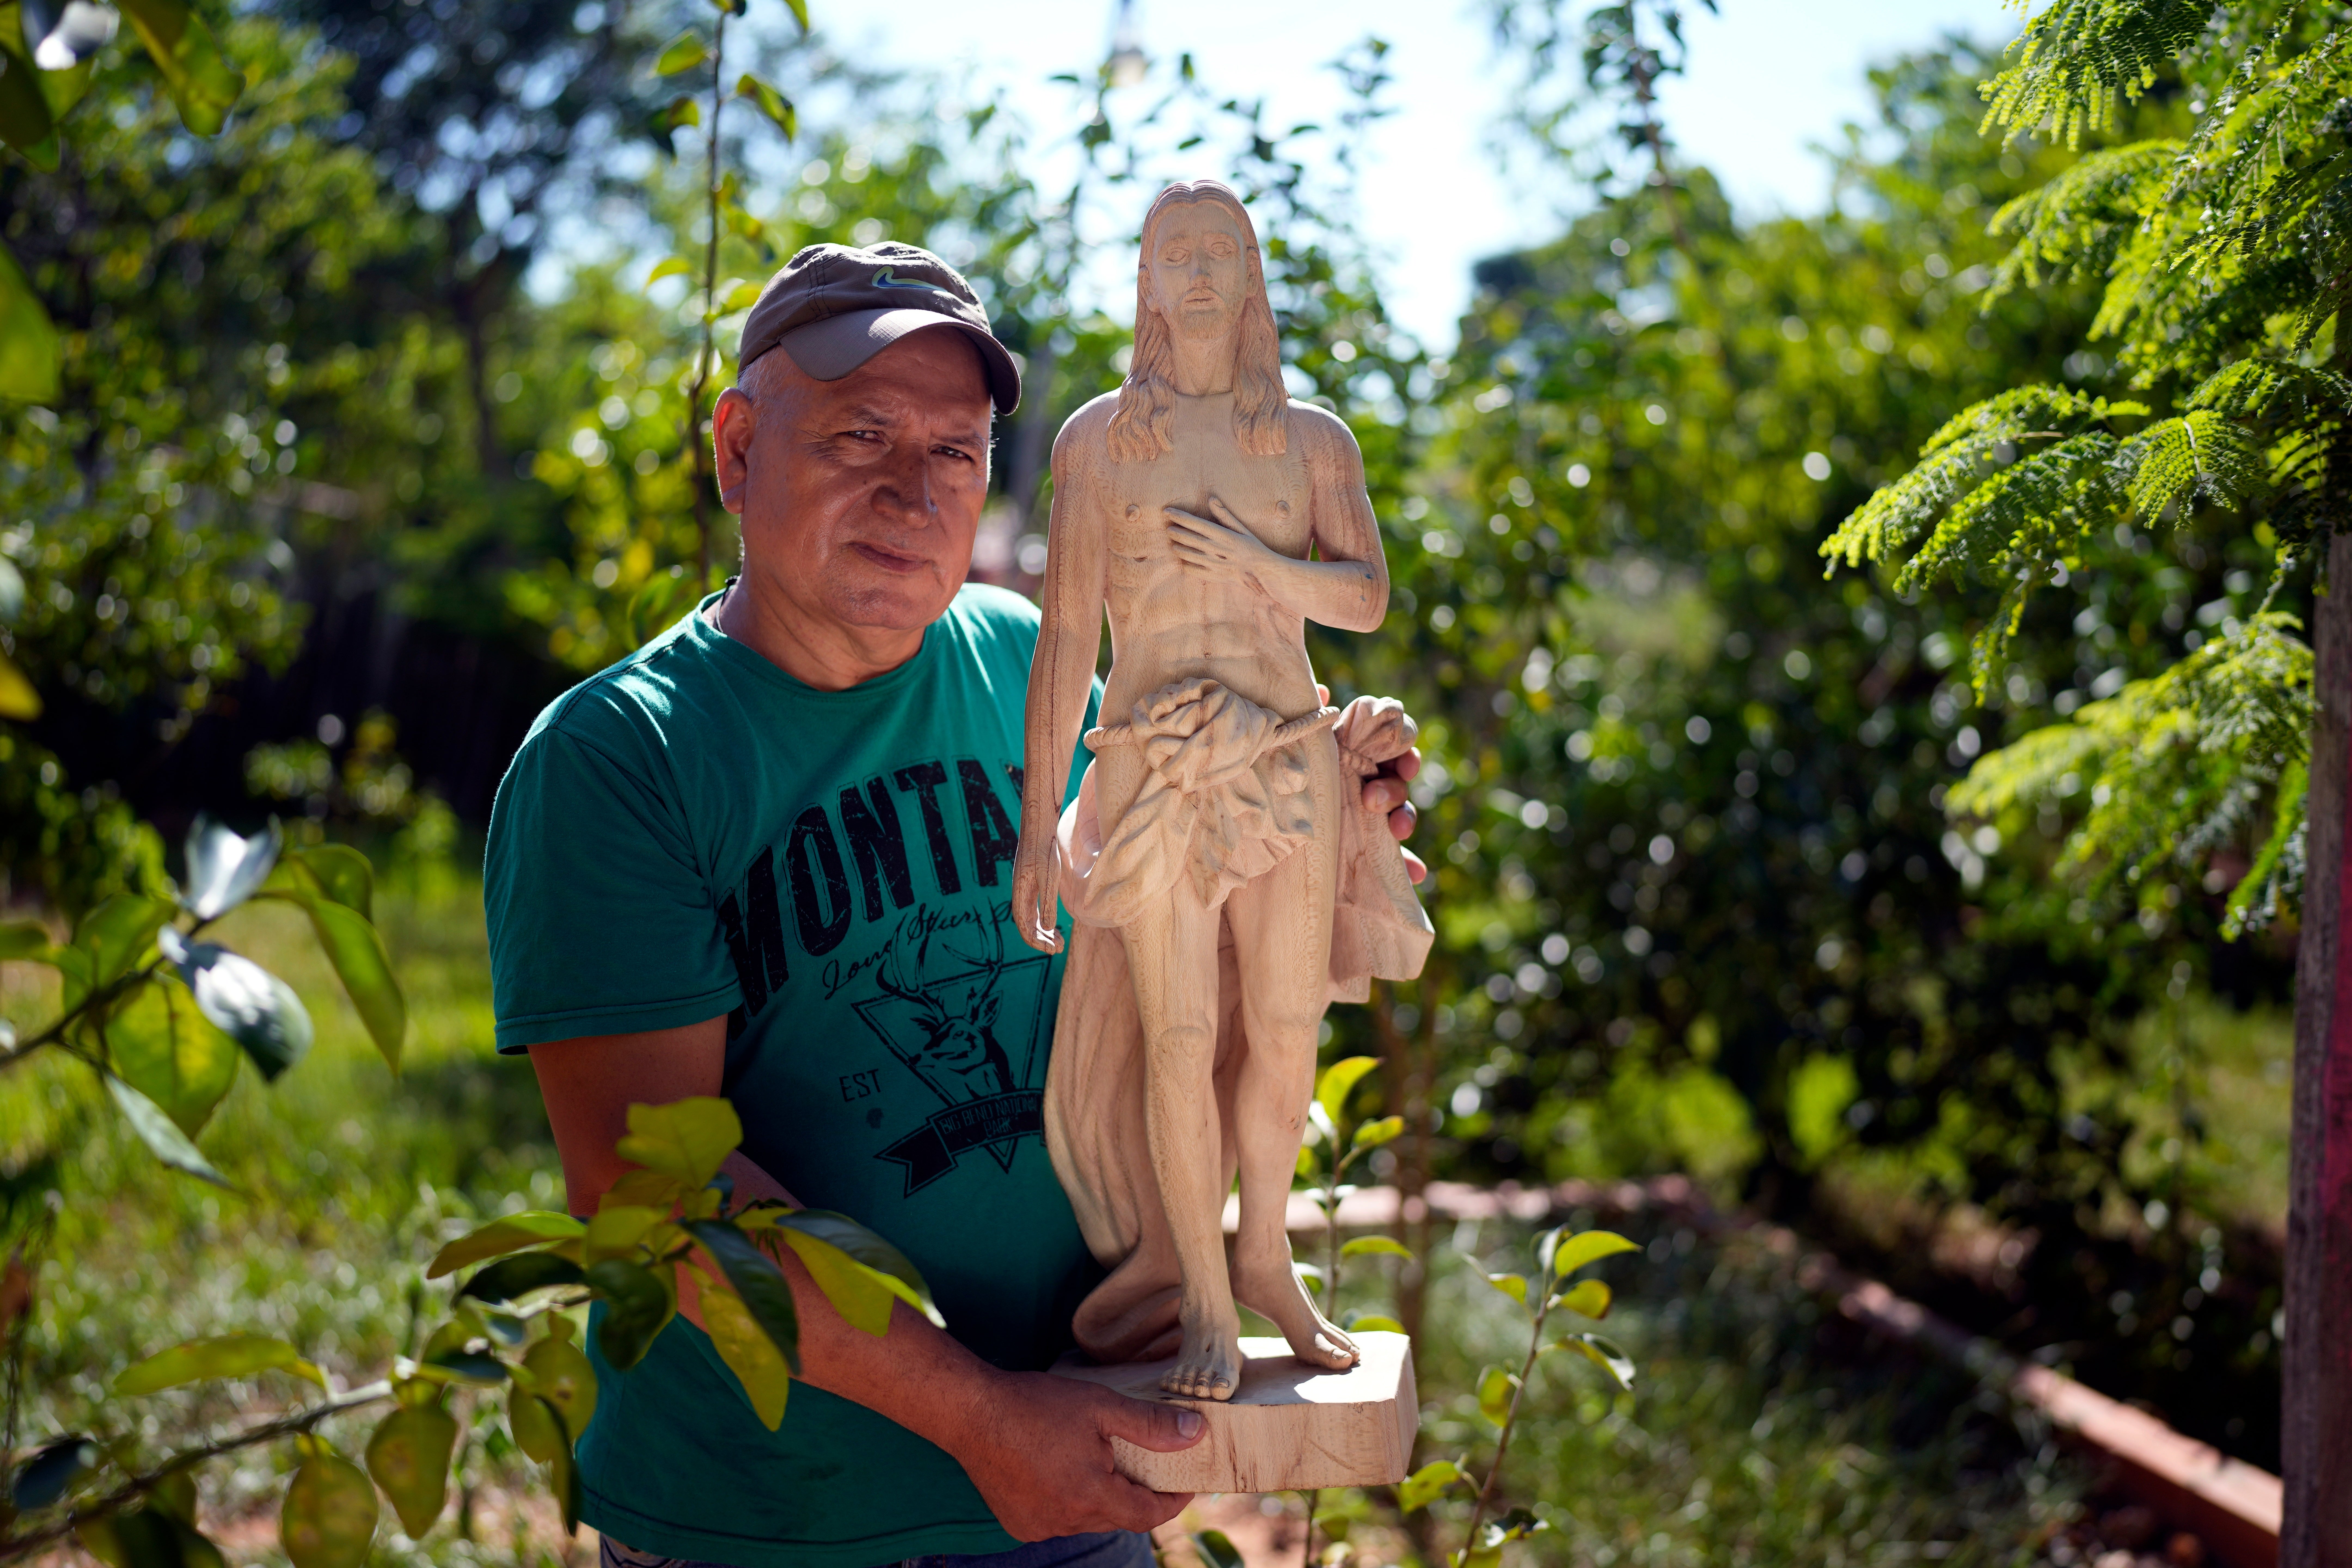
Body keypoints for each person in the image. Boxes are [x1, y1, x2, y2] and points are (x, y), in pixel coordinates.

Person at [483, 240, 1425, 1568]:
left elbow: (1165, 888)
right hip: (774, 1520)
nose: (911, 492)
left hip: (1069, 1467)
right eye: (860, 434)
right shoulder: (620, 759)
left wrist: (1323, 827)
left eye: (955, 450)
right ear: (739, 449)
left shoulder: (1013, 654)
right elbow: (652, 1188)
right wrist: (985, 1422)